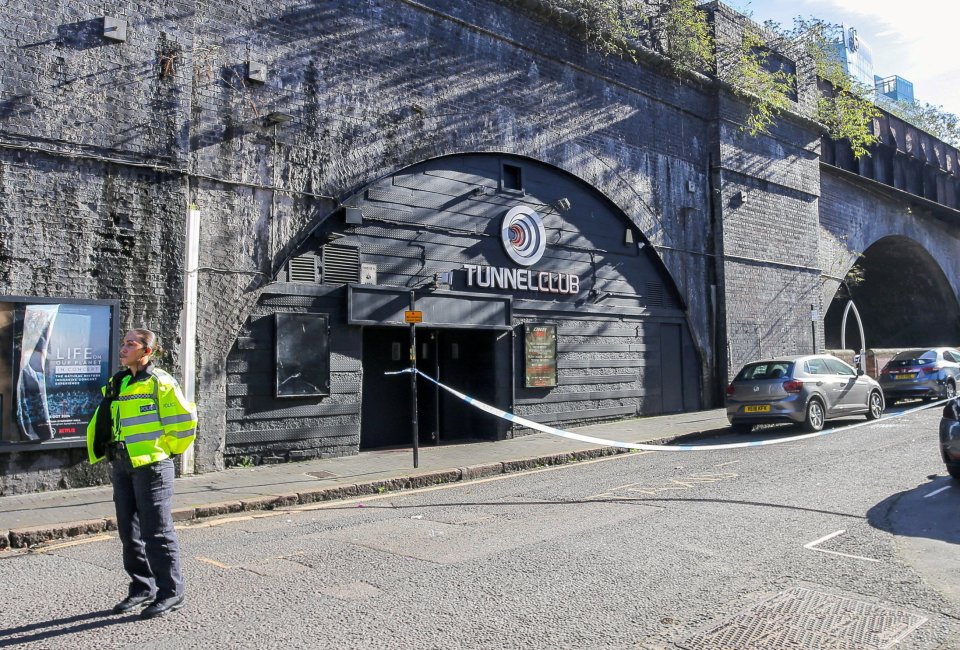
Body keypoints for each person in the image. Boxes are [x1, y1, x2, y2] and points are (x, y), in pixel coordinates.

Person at [86, 329, 197, 619]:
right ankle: (142, 587)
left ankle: (171, 592)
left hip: (152, 466)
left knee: (156, 531)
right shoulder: (119, 382)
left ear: (147, 351)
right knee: (129, 530)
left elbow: (184, 422)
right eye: (123, 343)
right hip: (122, 464)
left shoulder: (160, 382)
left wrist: (164, 452)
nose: (123, 348)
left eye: (130, 344)